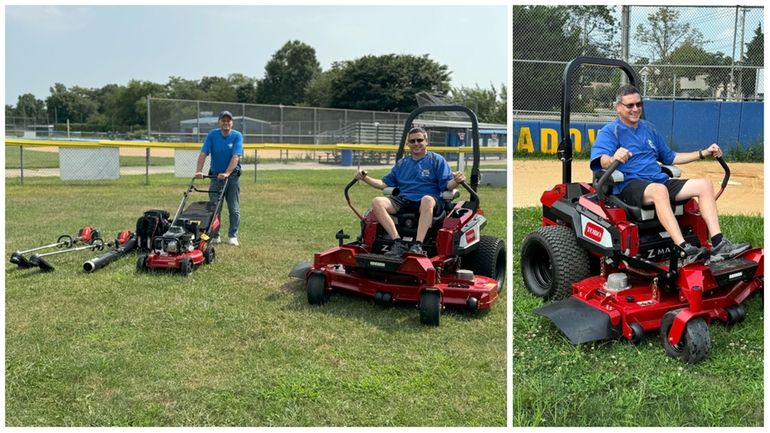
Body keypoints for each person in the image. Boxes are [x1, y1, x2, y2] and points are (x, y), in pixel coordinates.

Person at [590, 84, 749, 265]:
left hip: (658, 181)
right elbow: (600, 160)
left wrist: (703, 153)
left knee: (704, 184)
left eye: (639, 104)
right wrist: (612, 158)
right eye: (630, 106)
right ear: (618, 107)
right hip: (630, 185)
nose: (636, 109)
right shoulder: (611, 131)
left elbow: (671, 157)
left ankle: (719, 243)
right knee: (659, 191)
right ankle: (683, 247)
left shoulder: (649, 129)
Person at [354, 127, 465, 256]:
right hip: (405, 200)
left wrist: (457, 181)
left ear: (426, 142)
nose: (416, 143)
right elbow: (384, 184)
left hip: (431, 202)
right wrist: (365, 178)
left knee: (427, 199)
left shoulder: (436, 160)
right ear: (408, 144)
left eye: (419, 140)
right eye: (412, 141)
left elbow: (447, 185)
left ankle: (417, 245)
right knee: (377, 202)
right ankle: (397, 242)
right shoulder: (402, 163)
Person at [195, 110, 243, 246]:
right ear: (219, 122)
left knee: (234, 208)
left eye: (228, 121)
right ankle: (215, 235)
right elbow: (203, 153)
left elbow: (236, 157)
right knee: (214, 208)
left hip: (232, 178)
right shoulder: (212, 135)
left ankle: (233, 235)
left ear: (232, 123)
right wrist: (199, 171)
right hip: (215, 177)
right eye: (223, 120)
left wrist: (227, 173)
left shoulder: (237, 136)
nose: (226, 123)